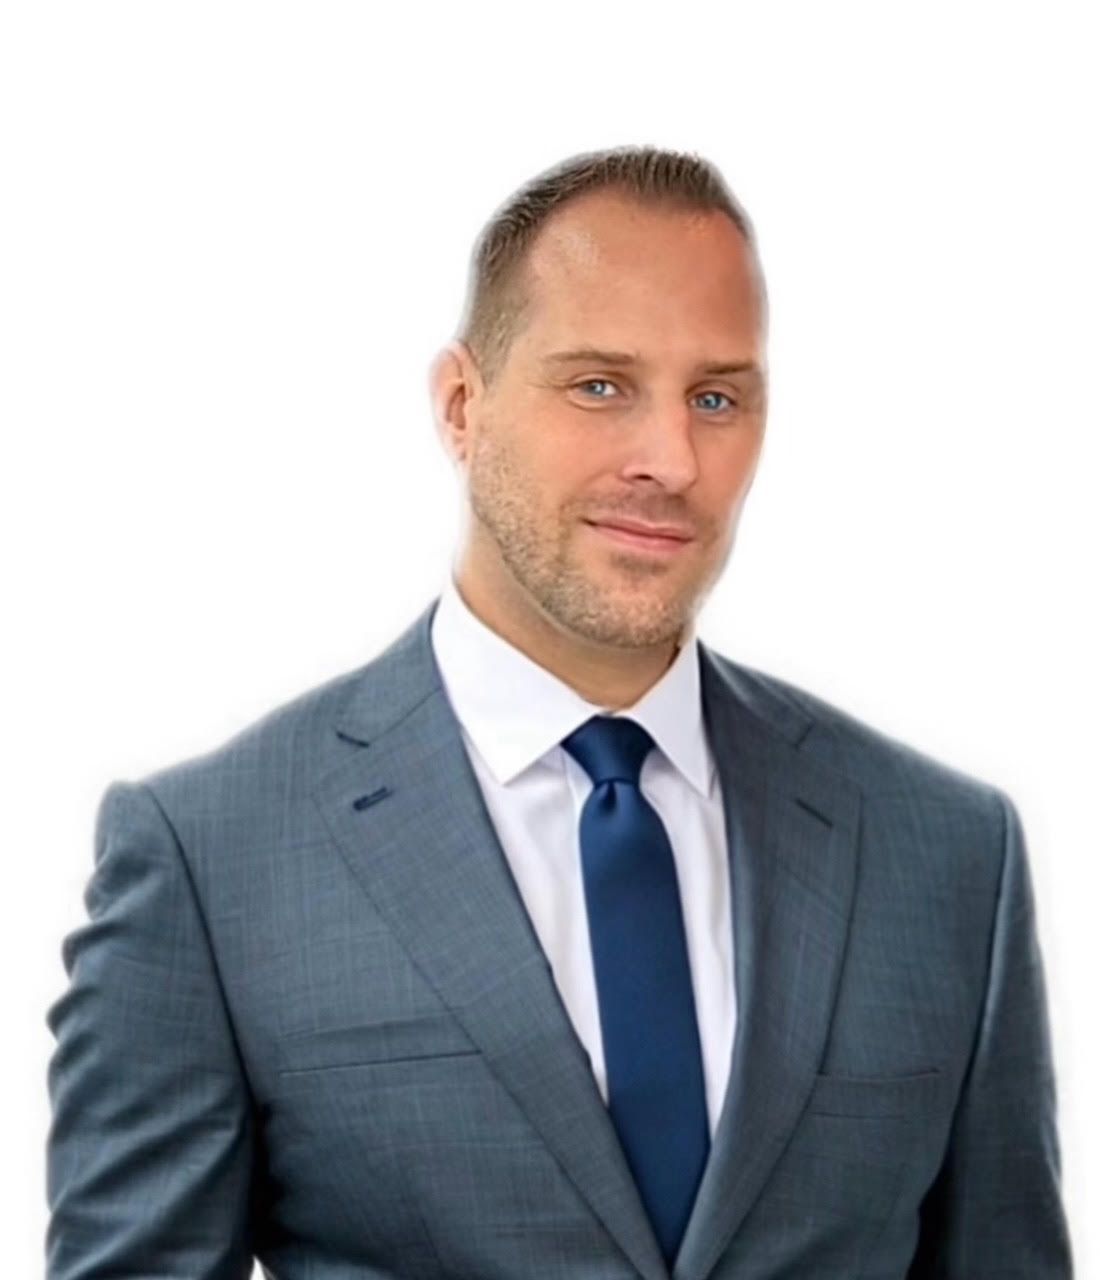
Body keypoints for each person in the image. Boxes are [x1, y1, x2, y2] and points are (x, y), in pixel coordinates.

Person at [44, 145, 1073, 1279]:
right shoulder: (211, 858)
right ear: (459, 406)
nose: (670, 459)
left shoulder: (946, 853)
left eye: (716, 397)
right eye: (599, 385)